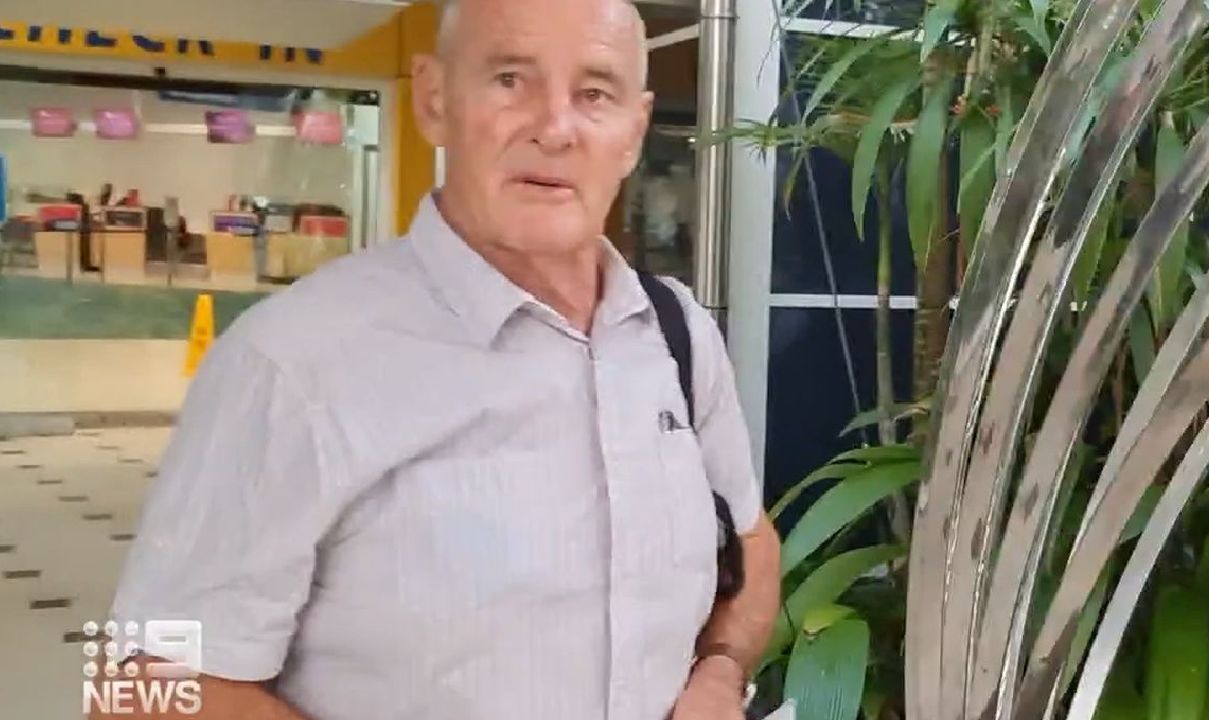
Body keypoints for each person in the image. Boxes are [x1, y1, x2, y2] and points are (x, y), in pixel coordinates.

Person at [100, 0, 780, 718]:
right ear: (433, 100)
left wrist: (719, 673)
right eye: (510, 80)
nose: (555, 128)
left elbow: (752, 544)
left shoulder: (676, 333)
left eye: (594, 93)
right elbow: (141, 687)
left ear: (634, 131)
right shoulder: (290, 363)